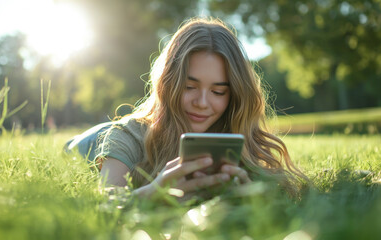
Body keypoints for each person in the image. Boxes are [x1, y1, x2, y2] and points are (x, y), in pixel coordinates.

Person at [66, 17, 306, 198]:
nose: (202, 103)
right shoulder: (126, 135)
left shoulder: (235, 133)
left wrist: (249, 196)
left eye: (218, 91)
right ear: (169, 83)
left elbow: (281, 195)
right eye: (189, 87)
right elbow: (109, 201)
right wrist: (154, 194)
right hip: (95, 138)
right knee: (77, 145)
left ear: (233, 95)